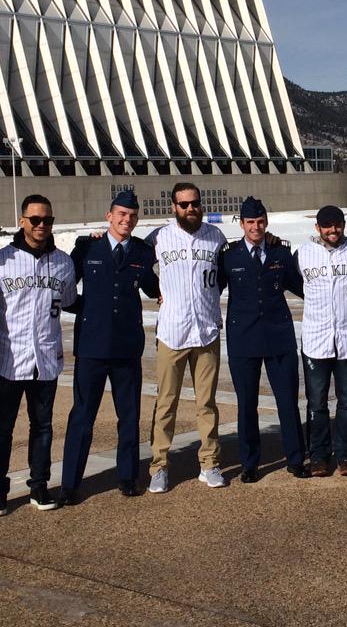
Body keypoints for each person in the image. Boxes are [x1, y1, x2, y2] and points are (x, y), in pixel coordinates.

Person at [59, 190, 159, 504]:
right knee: (82, 417)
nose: (126, 220)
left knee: (129, 417)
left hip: (127, 348)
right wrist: (85, 309)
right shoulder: (88, 248)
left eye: (131, 215)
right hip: (91, 347)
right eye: (120, 214)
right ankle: (70, 484)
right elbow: (65, 288)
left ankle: (128, 477)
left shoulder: (143, 253)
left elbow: (154, 288)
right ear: (109, 216)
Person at [0, 195, 77, 516]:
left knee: (43, 427)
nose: (40, 226)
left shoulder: (63, 263)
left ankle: (39, 485)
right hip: (10, 360)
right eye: (34, 219)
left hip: (46, 360)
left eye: (46, 220)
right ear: (22, 220)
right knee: (2, 428)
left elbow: (68, 302)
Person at [145, 182, 228, 493]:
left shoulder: (216, 237)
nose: (190, 209)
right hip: (172, 332)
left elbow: (221, 275)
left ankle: (209, 463)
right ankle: (159, 466)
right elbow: (138, 268)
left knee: (206, 402)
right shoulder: (158, 238)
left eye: (194, 203)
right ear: (173, 207)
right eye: (183, 204)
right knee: (166, 403)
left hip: (205, 329)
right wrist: (157, 292)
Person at [218, 197, 308, 483]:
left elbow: (303, 287)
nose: (255, 227)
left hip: (278, 337)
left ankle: (295, 459)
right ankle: (250, 463)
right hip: (243, 338)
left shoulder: (281, 253)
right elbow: (209, 288)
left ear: (265, 222)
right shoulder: (229, 256)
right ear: (242, 224)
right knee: (247, 404)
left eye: (260, 222)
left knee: (287, 402)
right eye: (250, 222)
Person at [295, 205, 347, 477]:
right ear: (317, 228)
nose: (333, 230)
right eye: (327, 225)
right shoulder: (303, 253)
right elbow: (290, 279)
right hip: (316, 340)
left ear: (344, 224)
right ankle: (318, 456)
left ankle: (345, 455)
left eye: (337, 224)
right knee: (317, 402)